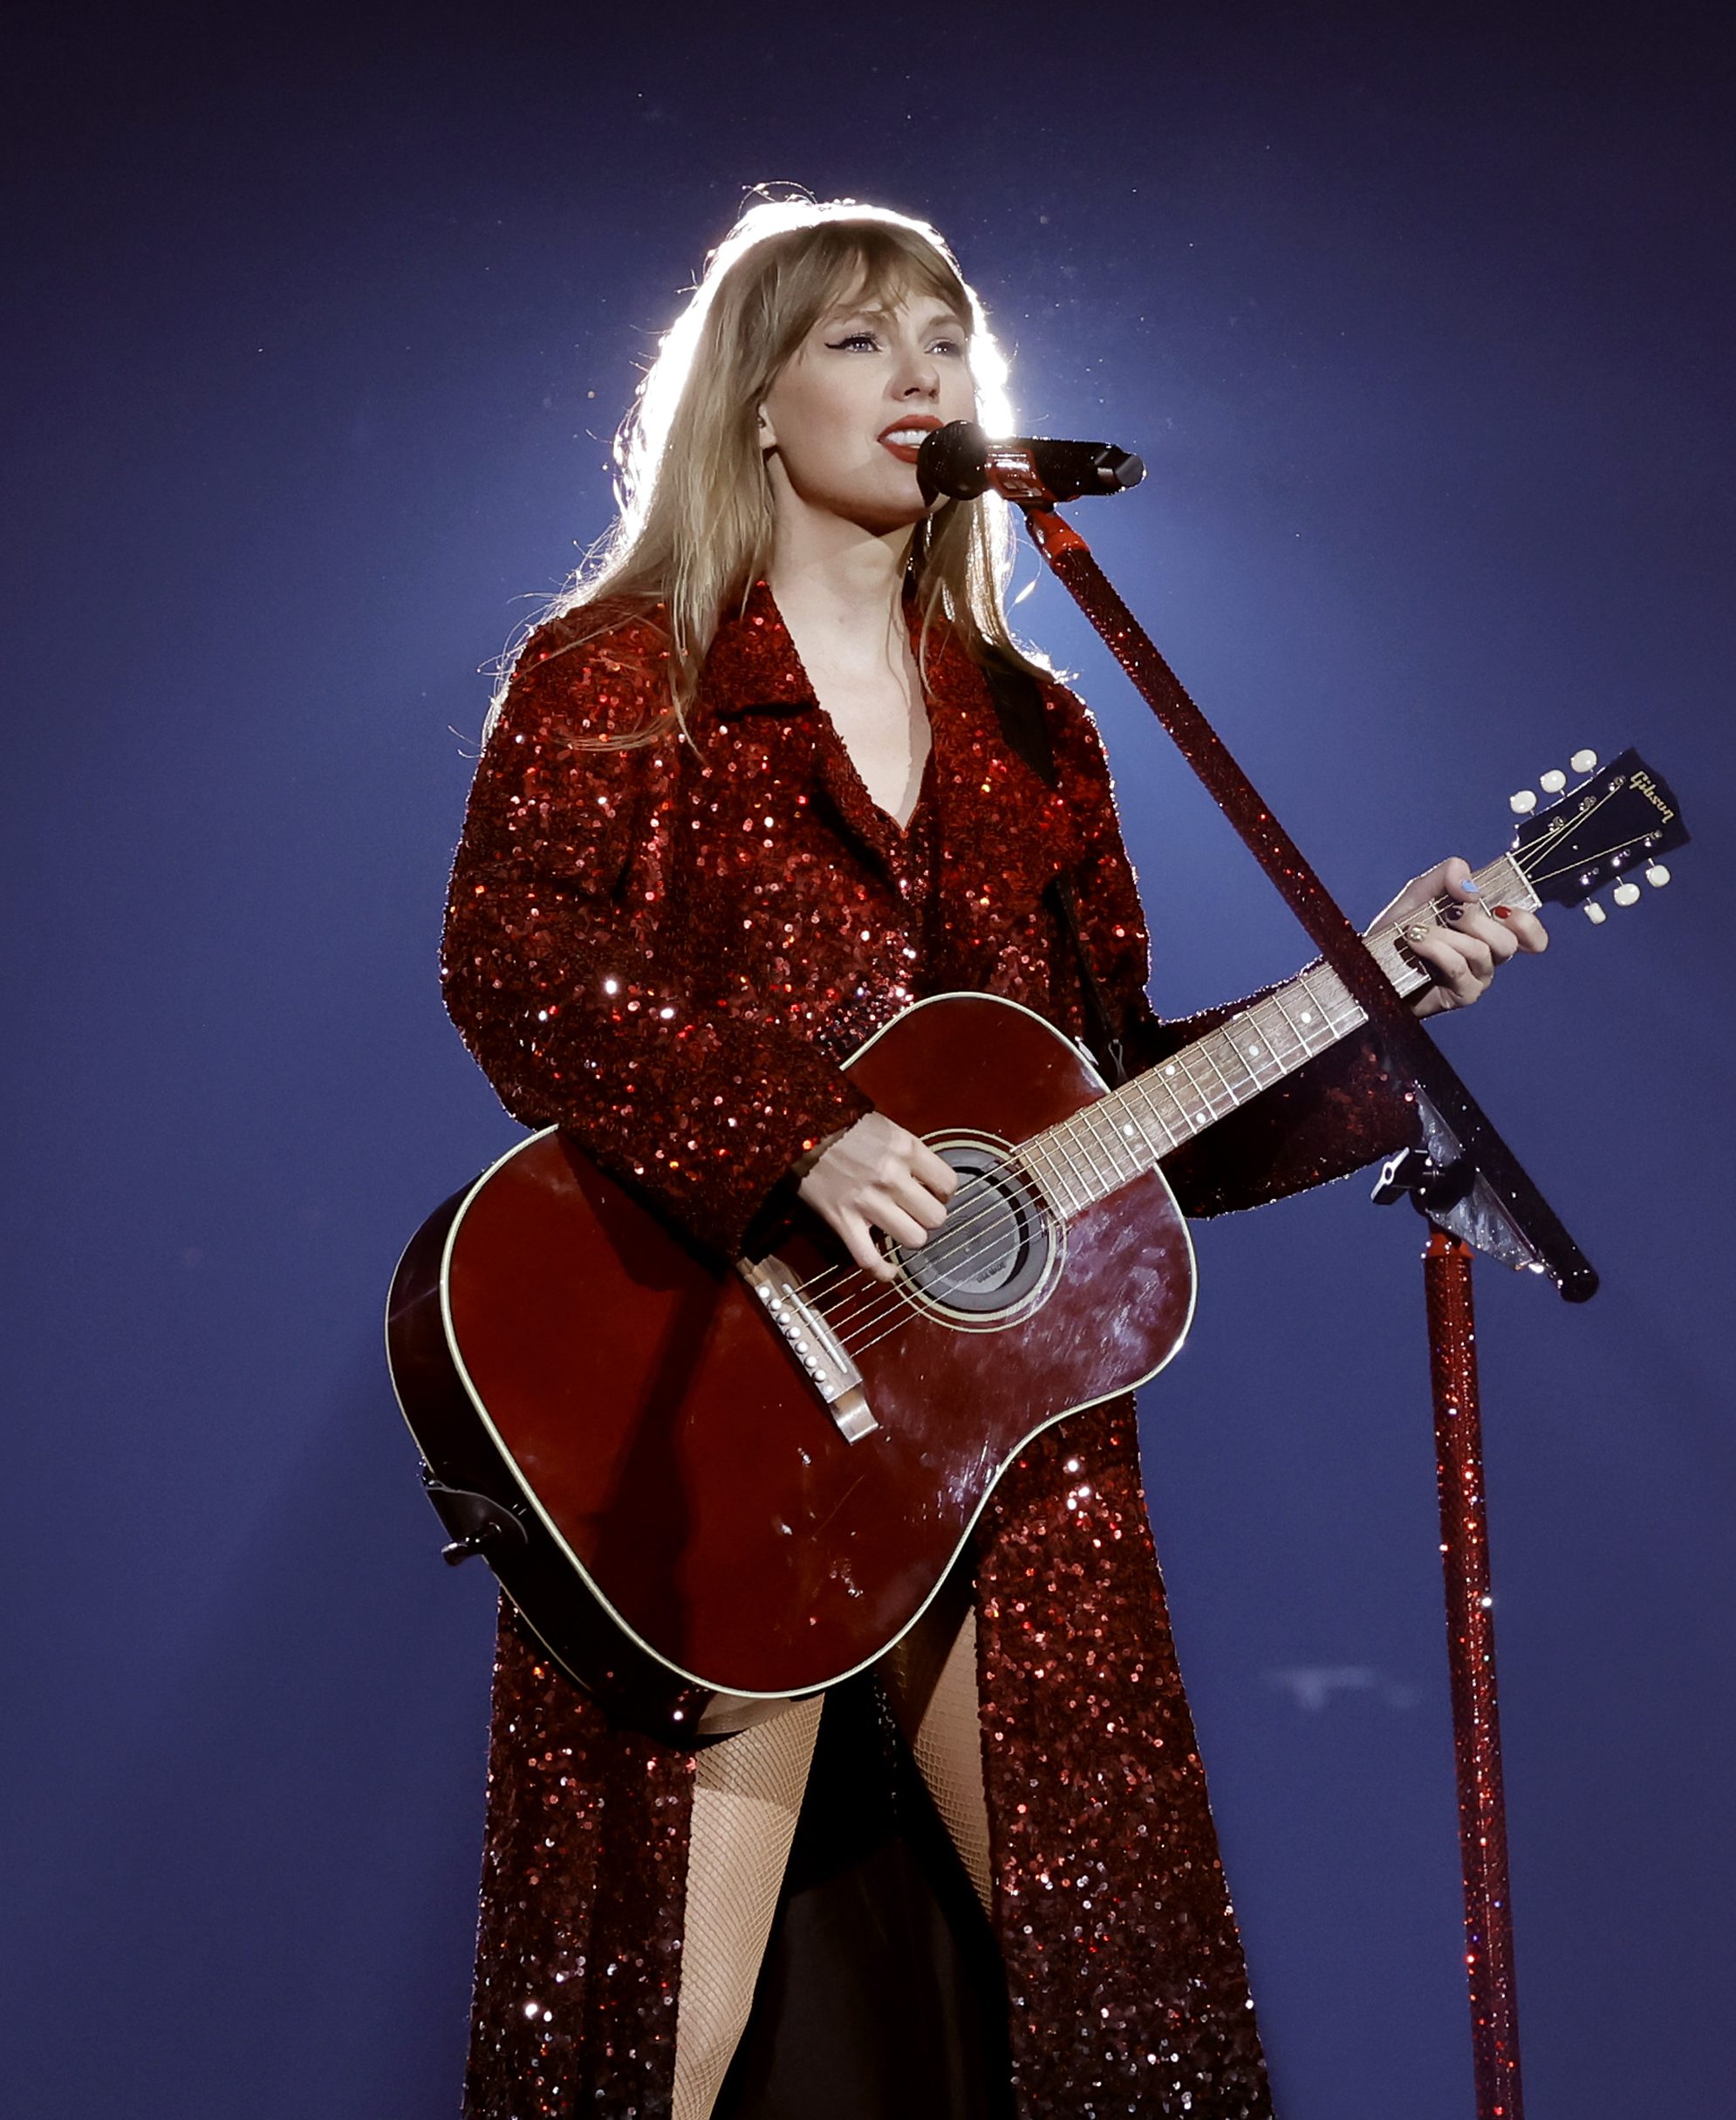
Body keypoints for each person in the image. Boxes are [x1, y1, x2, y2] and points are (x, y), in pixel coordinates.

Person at [440, 193, 1546, 2120]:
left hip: (1001, 1449)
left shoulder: (1035, 731)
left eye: (942, 337)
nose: (920, 370)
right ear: (755, 402)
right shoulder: (623, 674)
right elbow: (512, 965)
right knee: (647, 2052)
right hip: (705, 1400)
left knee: (1126, 2022)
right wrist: (793, 1127)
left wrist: (1369, 1016)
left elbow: (1111, 1117)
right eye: (860, 338)